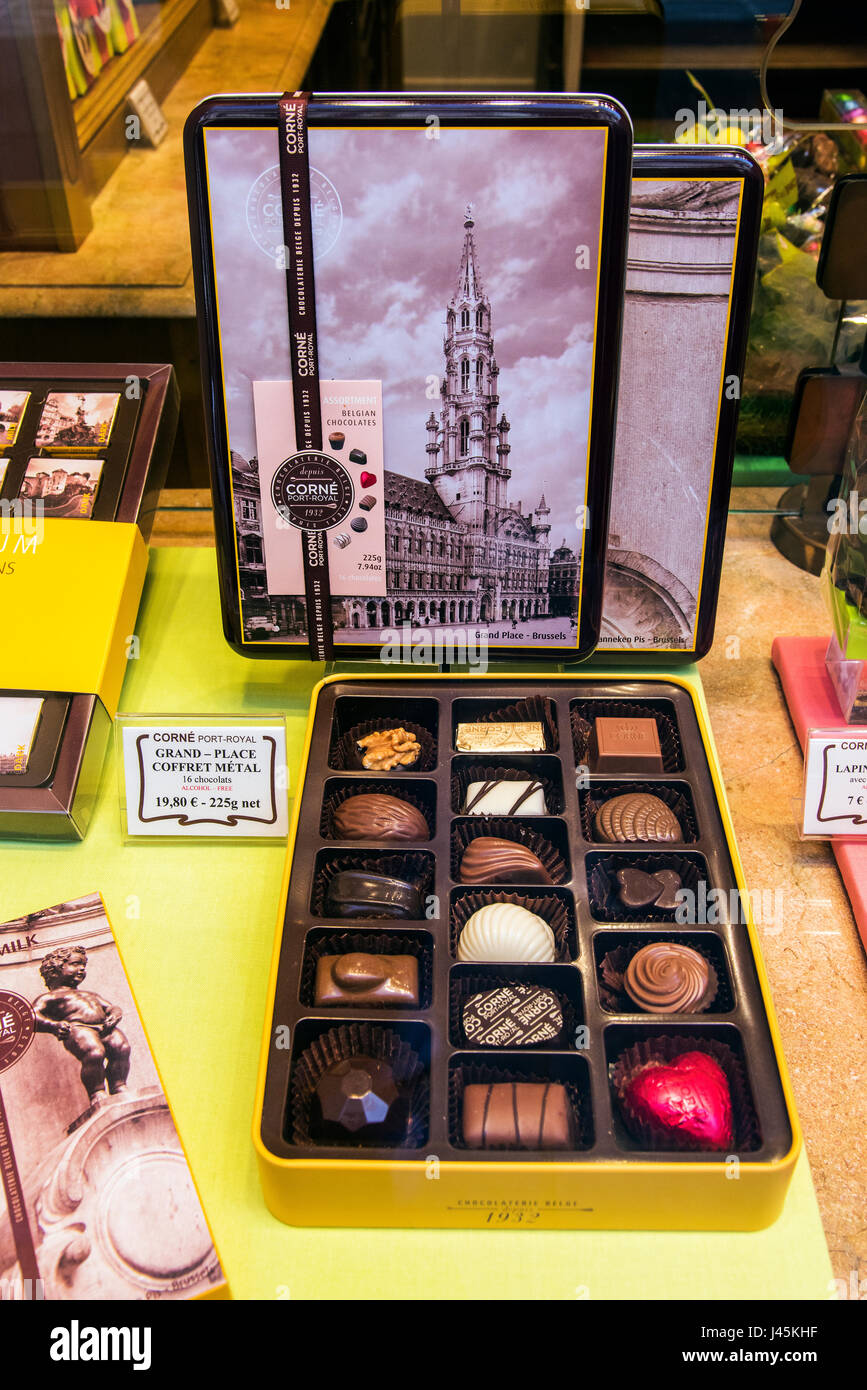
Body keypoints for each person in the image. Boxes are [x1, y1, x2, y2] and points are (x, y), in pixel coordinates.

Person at [33, 945, 130, 1105]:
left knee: (122, 1048)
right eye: (76, 964)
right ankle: (97, 1092)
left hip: (105, 1027)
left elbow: (111, 1007)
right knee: (95, 1053)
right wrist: (53, 1026)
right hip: (78, 1028)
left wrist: (115, 1014)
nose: (81, 969)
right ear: (56, 969)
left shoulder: (90, 994)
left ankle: (118, 1085)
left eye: (83, 965)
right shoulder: (50, 997)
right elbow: (31, 1016)